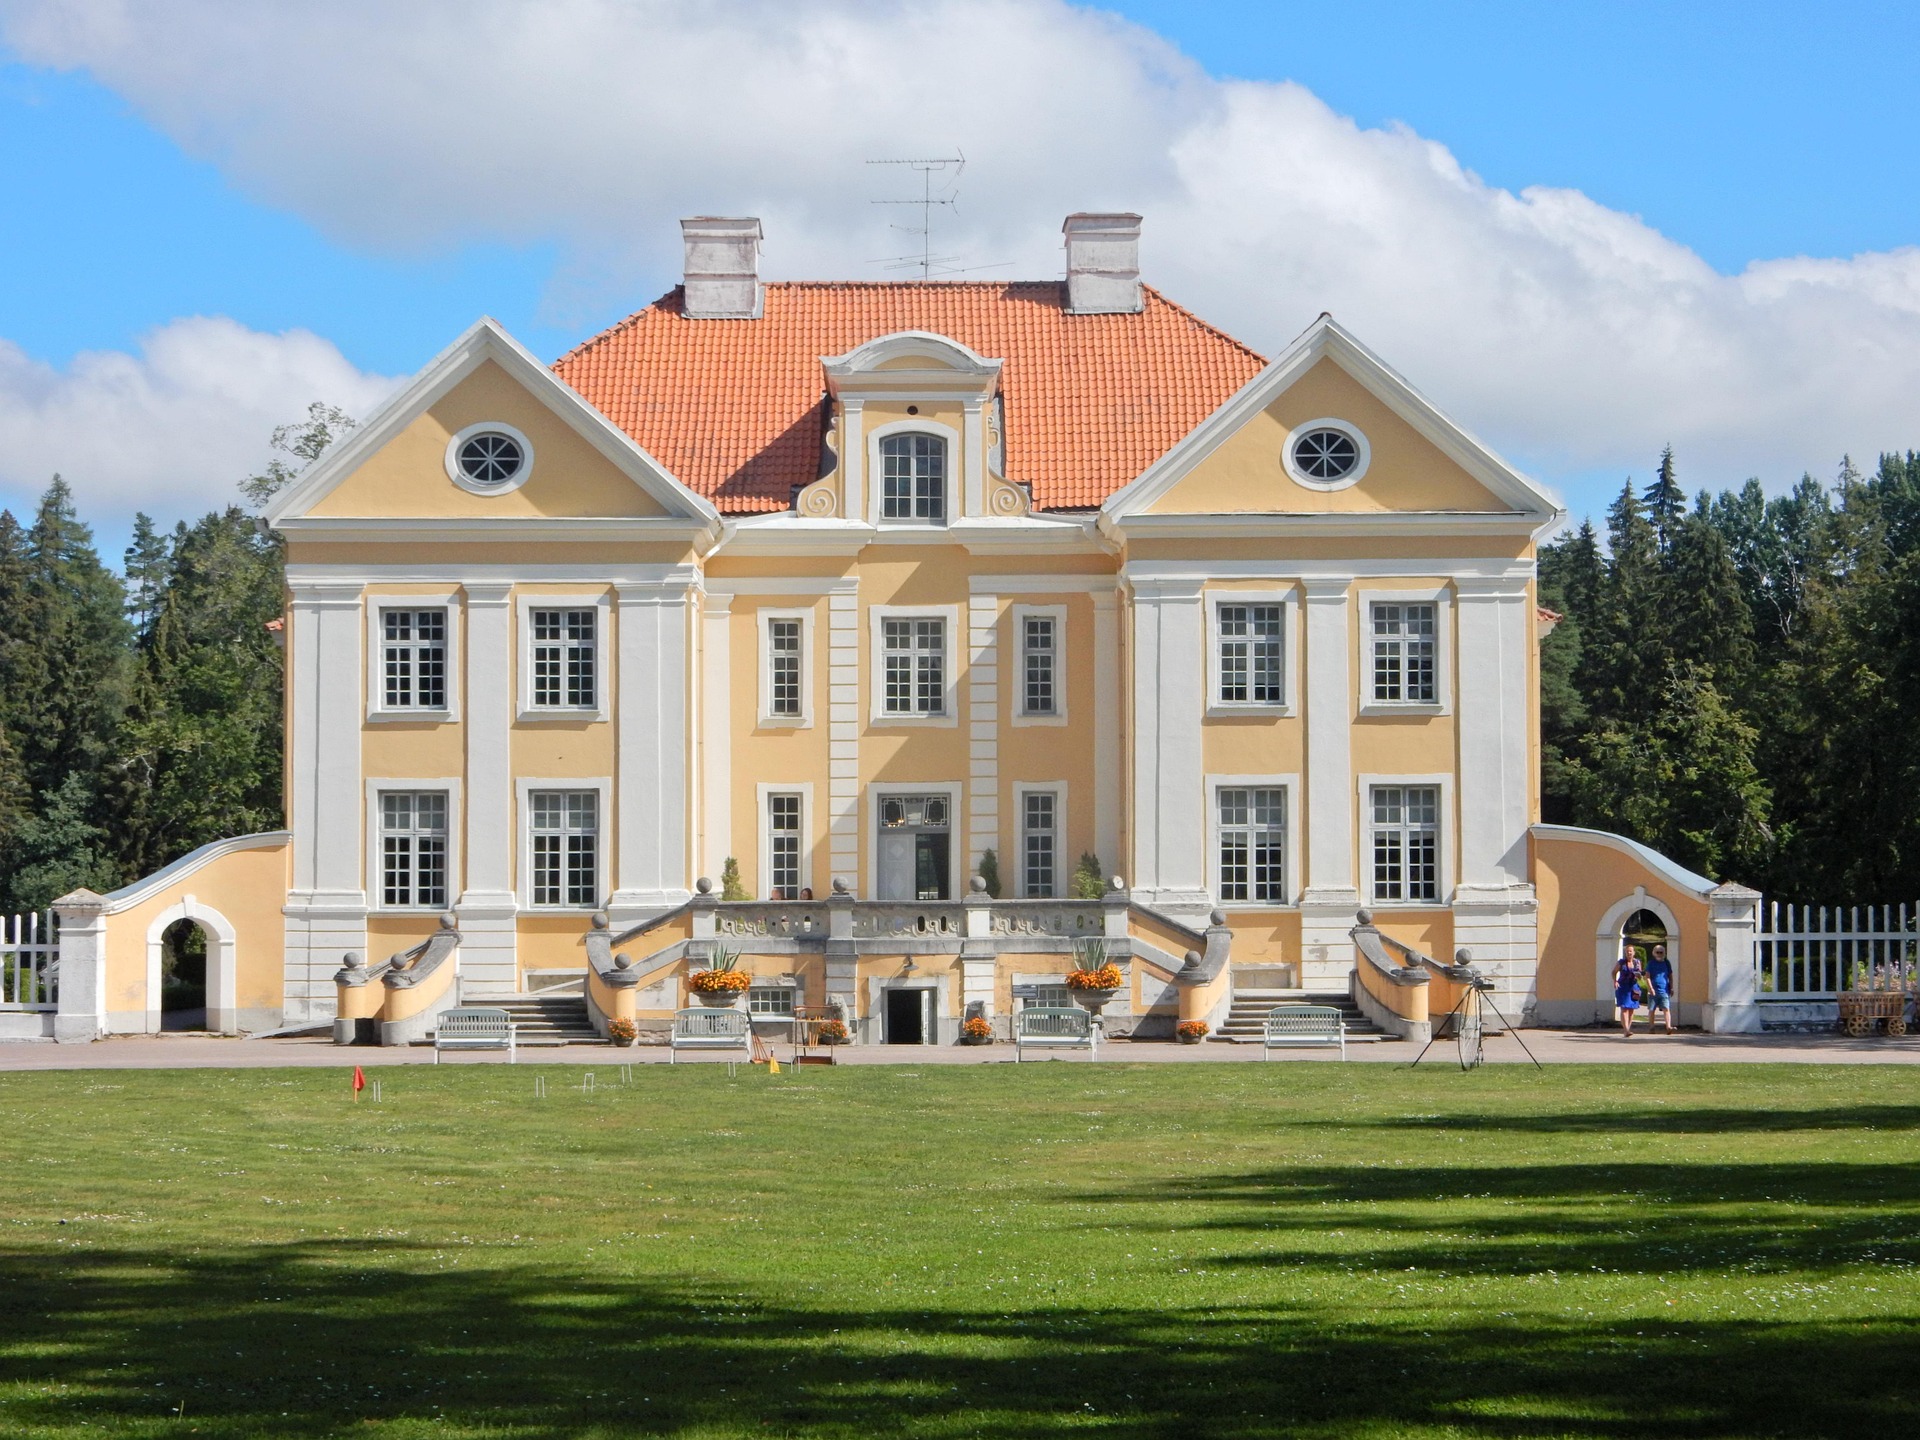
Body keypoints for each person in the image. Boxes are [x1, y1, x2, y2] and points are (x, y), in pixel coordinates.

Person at [1612, 944, 1645, 1037]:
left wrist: (1639, 975)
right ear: (1625, 953)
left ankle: (1628, 1029)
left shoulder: (1637, 962)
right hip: (1623, 987)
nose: (1629, 953)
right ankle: (1626, 1029)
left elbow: (1640, 975)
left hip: (1634, 987)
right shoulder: (1621, 962)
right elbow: (1614, 972)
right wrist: (1615, 981)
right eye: (1627, 951)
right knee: (1624, 1008)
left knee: (1631, 1009)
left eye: (1631, 951)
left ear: (1634, 953)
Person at [1644, 943, 1675, 1034]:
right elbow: (1647, 976)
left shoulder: (1666, 963)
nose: (1659, 954)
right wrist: (1650, 988)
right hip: (1653, 991)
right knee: (1651, 1009)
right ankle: (1651, 1027)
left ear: (1664, 953)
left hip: (1664, 990)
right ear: (1654, 953)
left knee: (1666, 1008)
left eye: (1661, 952)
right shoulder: (1651, 963)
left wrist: (1672, 987)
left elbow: (1670, 975)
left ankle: (1668, 1027)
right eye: (1657, 952)